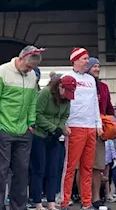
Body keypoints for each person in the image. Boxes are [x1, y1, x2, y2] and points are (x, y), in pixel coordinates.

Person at [0, 45, 44, 210]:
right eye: (27, 66)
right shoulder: (1, 72)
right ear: (20, 59)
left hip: (24, 131)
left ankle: (19, 207)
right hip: (3, 130)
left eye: (32, 68)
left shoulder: (32, 75)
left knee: (21, 173)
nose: (29, 71)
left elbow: (32, 101)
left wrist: (31, 124)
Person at [60, 48, 103, 210]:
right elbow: (62, 101)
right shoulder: (66, 78)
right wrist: (64, 123)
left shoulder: (91, 80)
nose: (87, 61)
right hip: (74, 127)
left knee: (87, 167)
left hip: (90, 127)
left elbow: (94, 104)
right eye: (84, 59)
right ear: (75, 60)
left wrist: (98, 124)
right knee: (70, 166)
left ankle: (87, 202)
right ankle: (64, 200)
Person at [30, 75, 75, 210]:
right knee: (39, 170)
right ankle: (37, 203)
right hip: (40, 135)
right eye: (65, 92)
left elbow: (65, 115)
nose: (66, 96)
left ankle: (51, 202)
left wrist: (60, 127)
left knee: (53, 170)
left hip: (54, 137)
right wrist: (53, 127)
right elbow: (36, 114)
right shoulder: (45, 93)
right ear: (60, 86)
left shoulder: (67, 99)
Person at [86, 57, 115, 208]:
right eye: (94, 66)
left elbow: (109, 107)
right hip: (83, 128)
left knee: (98, 166)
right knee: (82, 166)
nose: (97, 69)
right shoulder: (81, 85)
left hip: (100, 131)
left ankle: (96, 199)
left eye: (98, 66)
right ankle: (85, 197)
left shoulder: (103, 87)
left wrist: (111, 120)